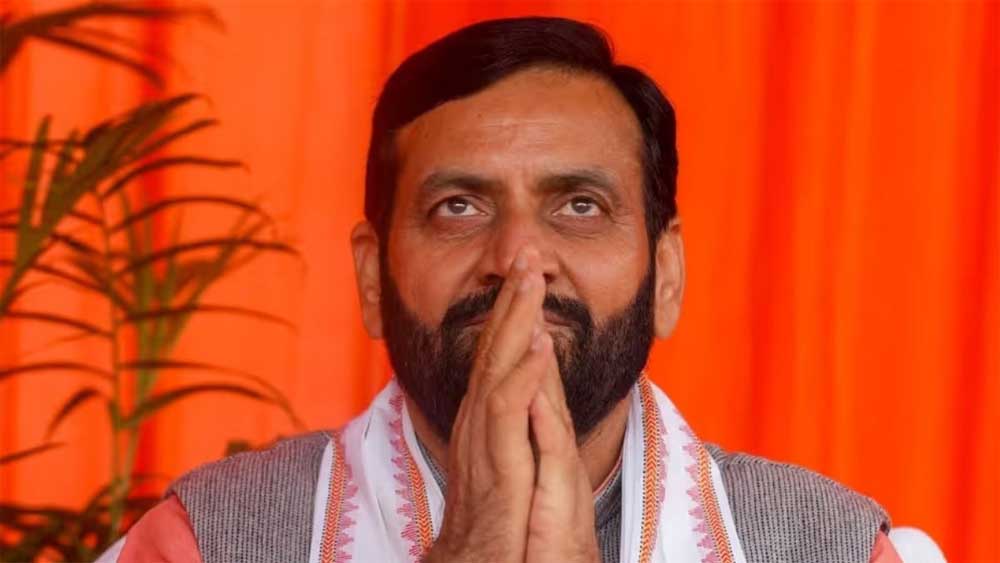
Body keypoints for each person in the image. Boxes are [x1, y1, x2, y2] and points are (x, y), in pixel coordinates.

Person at [99, 17, 906, 563]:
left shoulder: (836, 546)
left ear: (666, 275)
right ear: (373, 277)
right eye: (459, 207)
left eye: (579, 206)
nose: (519, 258)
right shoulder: (204, 542)